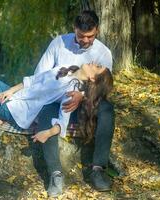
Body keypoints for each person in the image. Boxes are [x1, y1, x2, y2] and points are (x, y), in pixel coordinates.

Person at [33, 10, 114, 197]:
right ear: (74, 29)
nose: (85, 40)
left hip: (86, 104)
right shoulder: (58, 44)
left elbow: (103, 87)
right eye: (81, 36)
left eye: (90, 36)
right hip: (57, 99)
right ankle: (55, 173)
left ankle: (98, 169)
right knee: (47, 111)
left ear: (98, 31)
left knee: (107, 109)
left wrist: (83, 95)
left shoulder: (103, 53)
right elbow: (40, 75)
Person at [0, 64, 112, 147]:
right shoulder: (65, 69)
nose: (93, 62)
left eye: (96, 67)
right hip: (14, 96)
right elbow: (34, 80)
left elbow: (61, 122)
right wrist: (11, 90)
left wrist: (47, 132)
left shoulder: (71, 92)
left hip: (15, 110)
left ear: (92, 78)